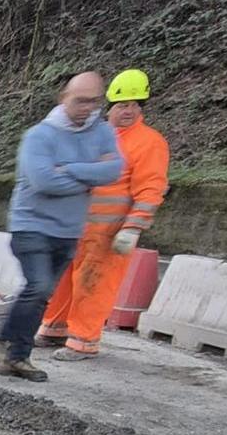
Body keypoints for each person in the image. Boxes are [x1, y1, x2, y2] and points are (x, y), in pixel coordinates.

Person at [0, 72, 123, 382]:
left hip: (68, 231)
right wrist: (89, 176)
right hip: (31, 226)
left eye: (94, 102)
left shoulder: (102, 132)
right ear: (64, 98)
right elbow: (44, 181)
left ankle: (11, 351)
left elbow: (114, 170)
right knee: (39, 287)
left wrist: (70, 169)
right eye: (80, 101)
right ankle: (12, 348)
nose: (87, 108)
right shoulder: (40, 136)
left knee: (41, 294)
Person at [37, 69, 169, 360]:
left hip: (108, 232)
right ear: (109, 106)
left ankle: (83, 340)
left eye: (135, 105)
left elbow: (150, 188)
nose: (128, 111)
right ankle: (54, 327)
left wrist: (132, 228)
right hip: (76, 224)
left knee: (93, 284)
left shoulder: (149, 142)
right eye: (122, 105)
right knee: (64, 278)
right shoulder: (94, 135)